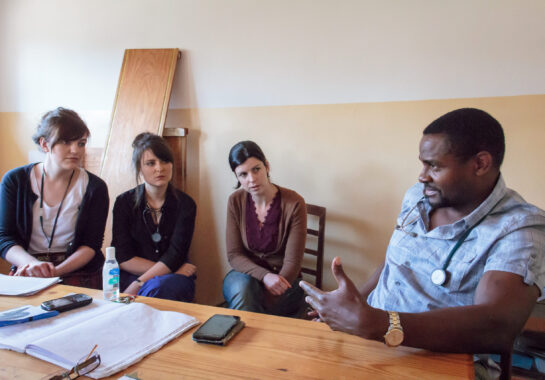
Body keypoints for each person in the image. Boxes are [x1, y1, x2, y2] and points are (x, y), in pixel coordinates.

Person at [300, 108, 545, 378]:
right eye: (423, 163)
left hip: (443, 363)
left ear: (480, 164)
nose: (422, 176)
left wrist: (380, 324)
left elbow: (496, 325)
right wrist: (355, 303)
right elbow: (395, 263)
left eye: (435, 166)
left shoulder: (520, 228)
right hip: (370, 341)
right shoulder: (418, 197)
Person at [0, 107, 108, 288]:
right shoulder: (15, 180)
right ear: (44, 144)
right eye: (65, 142)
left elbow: (91, 245)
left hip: (79, 271)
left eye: (81, 143)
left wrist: (54, 272)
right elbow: (4, 237)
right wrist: (32, 265)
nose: (75, 150)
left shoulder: (95, 187)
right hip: (29, 269)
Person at [223, 140, 307, 316]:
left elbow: (293, 262)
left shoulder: (294, 203)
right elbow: (234, 255)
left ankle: (243, 334)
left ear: (267, 166)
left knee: (245, 302)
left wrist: (273, 286)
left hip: (285, 281)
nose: (251, 179)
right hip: (245, 277)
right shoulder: (235, 201)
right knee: (243, 289)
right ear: (236, 177)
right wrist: (264, 276)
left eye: (256, 169)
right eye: (243, 174)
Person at [111, 132, 197, 302]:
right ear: (139, 168)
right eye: (150, 163)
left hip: (173, 280)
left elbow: (176, 254)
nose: (160, 168)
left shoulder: (186, 204)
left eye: (165, 161)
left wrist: (140, 283)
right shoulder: (124, 202)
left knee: (158, 288)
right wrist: (170, 269)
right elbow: (122, 256)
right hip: (134, 274)